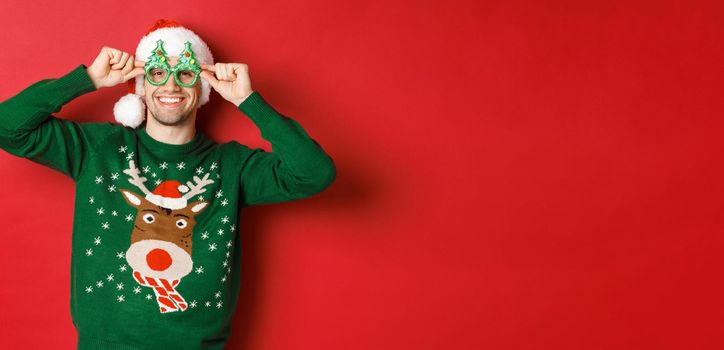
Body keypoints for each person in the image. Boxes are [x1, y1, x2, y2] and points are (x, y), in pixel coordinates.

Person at [0, 19, 336, 350]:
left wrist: (248, 100)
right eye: (158, 73)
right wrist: (86, 79)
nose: (171, 87)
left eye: (186, 74)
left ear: (203, 87)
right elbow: (7, 127)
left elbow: (315, 173)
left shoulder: (232, 167)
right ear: (141, 85)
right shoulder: (98, 148)